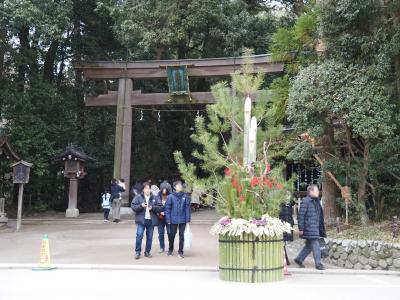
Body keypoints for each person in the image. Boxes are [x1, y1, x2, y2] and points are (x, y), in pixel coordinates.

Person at [294, 184, 326, 270]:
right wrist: (301, 228)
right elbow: (301, 215)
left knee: (309, 245)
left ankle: (299, 259)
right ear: (311, 191)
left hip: (315, 227)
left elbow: (319, 216)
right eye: (316, 190)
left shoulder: (316, 201)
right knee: (315, 244)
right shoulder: (306, 201)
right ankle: (318, 264)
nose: (318, 192)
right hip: (309, 228)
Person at [131, 182, 163, 259]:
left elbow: (161, 207)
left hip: (151, 220)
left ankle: (147, 252)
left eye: (149, 188)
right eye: (146, 188)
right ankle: (137, 252)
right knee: (139, 236)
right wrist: (140, 206)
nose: (148, 190)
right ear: (143, 189)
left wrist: (153, 208)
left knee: (150, 237)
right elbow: (133, 206)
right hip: (141, 220)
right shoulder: (138, 197)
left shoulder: (155, 197)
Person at [165, 180, 191, 258]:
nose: (180, 186)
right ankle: (170, 249)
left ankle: (180, 251)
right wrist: (168, 219)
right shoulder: (170, 196)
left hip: (183, 219)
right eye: (178, 185)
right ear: (175, 187)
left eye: (181, 185)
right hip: (173, 219)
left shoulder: (185, 196)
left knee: (182, 236)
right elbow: (167, 209)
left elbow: (187, 208)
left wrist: (187, 220)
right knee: (171, 235)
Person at [279, 198, 295, 265]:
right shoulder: (280, 205)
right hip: (282, 226)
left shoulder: (290, 205)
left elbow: (290, 216)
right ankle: (285, 259)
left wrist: (291, 223)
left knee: (283, 243)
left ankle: (285, 259)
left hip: (288, 226)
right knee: (282, 242)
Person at [157, 187, 170, 253]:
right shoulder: (157, 199)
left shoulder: (170, 199)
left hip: (168, 218)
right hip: (160, 218)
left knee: (170, 233)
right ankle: (162, 247)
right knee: (161, 233)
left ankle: (170, 248)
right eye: (163, 195)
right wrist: (158, 212)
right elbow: (155, 207)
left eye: (166, 195)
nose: (164, 196)